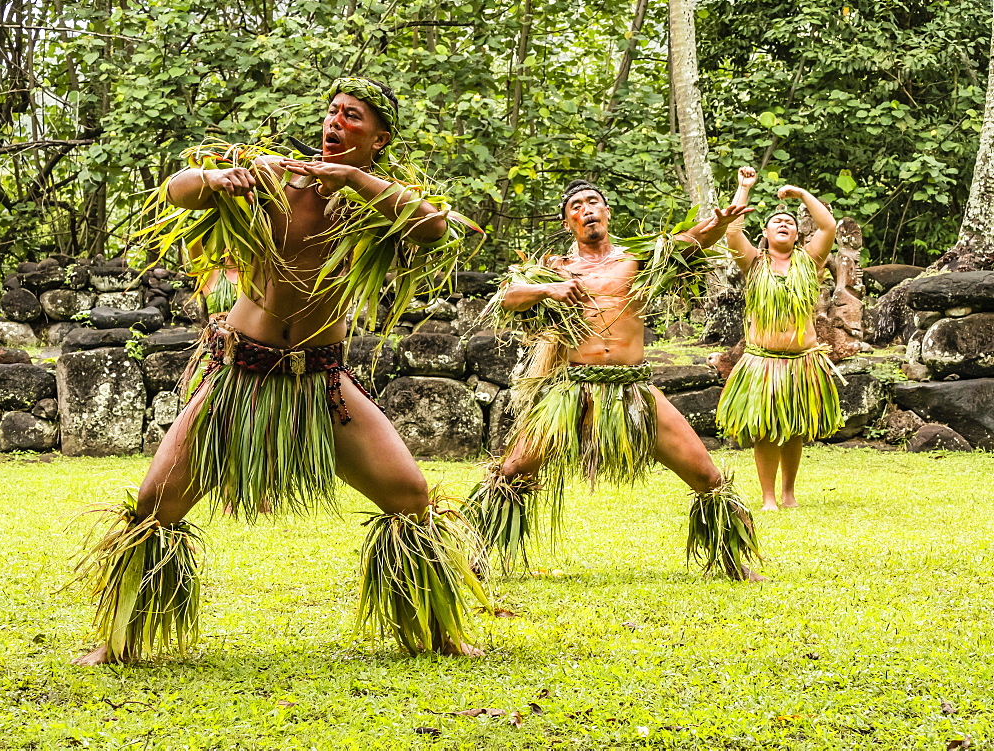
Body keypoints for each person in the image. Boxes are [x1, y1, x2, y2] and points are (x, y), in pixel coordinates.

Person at [71, 77, 489, 666]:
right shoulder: (277, 179)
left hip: (323, 383)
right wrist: (214, 179)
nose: (336, 122)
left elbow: (435, 226)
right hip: (240, 375)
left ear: (379, 138)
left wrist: (355, 182)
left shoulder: (383, 206)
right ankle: (119, 642)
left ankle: (436, 633)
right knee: (155, 502)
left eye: (353, 117)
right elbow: (177, 189)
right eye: (333, 112)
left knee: (409, 495)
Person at [466, 179, 763, 581]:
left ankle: (734, 563)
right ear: (567, 220)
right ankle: (475, 559)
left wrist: (719, 221)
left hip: (633, 388)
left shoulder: (638, 258)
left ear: (606, 213)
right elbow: (507, 297)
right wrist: (548, 289)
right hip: (572, 391)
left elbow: (691, 242)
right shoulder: (555, 268)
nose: (586, 209)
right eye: (576, 206)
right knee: (513, 471)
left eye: (594, 202)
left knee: (708, 477)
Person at [716, 166, 843, 511]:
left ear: (799, 234)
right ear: (765, 233)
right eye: (777, 222)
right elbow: (731, 231)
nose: (784, 224)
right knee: (765, 430)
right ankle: (768, 497)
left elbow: (829, 225)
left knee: (795, 429)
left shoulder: (811, 261)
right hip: (762, 361)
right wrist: (744, 189)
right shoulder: (754, 264)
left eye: (789, 222)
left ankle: (788, 493)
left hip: (803, 361)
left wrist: (802, 195)